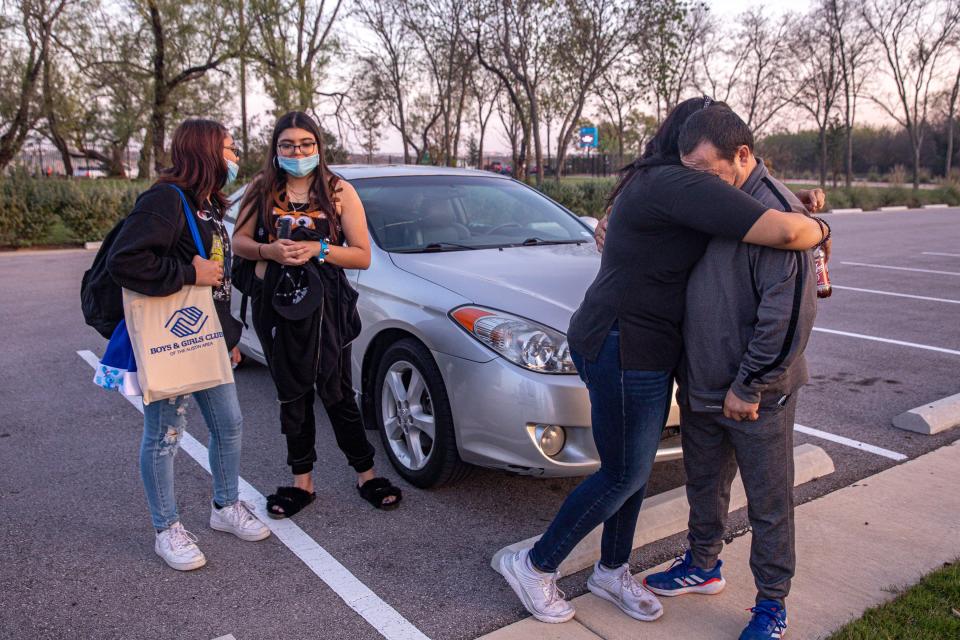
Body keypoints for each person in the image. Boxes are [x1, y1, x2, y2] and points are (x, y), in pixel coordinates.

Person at [494, 97, 828, 625]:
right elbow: (787, 231)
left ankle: (611, 570)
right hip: (624, 344)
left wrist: (800, 205)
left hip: (651, 349)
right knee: (625, 472)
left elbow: (762, 211)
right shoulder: (678, 182)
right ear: (682, 143)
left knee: (634, 468)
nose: (702, 172)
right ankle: (534, 564)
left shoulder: (675, 182)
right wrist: (819, 227)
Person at [641, 106, 823, 640]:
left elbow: (789, 315)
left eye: (705, 171)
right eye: (688, 171)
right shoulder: (711, 203)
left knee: (768, 502)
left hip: (755, 394)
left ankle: (771, 604)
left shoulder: (777, 214)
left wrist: (751, 385)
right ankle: (702, 564)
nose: (695, 183)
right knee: (704, 483)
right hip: (701, 382)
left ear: (743, 155)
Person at [106, 119, 270, 571]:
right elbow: (127, 261)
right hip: (171, 342)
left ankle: (224, 507)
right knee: (165, 434)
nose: (235, 157)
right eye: (230, 149)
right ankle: (167, 529)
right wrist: (186, 273)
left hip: (208, 340)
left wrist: (229, 338)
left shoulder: (209, 205)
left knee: (230, 424)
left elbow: (218, 284)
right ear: (204, 151)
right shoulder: (165, 199)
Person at [232, 111, 402, 517]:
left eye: (306, 144)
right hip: (278, 305)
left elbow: (361, 255)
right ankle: (301, 483)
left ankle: (366, 473)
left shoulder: (338, 190)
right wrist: (268, 250)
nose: (297, 152)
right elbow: (238, 242)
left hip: (328, 308)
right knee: (291, 393)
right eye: (288, 145)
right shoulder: (262, 188)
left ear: (318, 146)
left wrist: (318, 249)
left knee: (337, 392)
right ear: (276, 148)